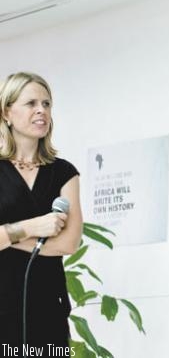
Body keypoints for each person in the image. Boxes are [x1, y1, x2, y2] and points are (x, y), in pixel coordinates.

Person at [0, 72, 82, 348]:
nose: (41, 111)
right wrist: (33, 227)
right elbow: (53, 241)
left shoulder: (64, 172)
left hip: (48, 305)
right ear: (6, 112)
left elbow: (69, 242)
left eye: (46, 104)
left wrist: (7, 237)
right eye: (31, 103)